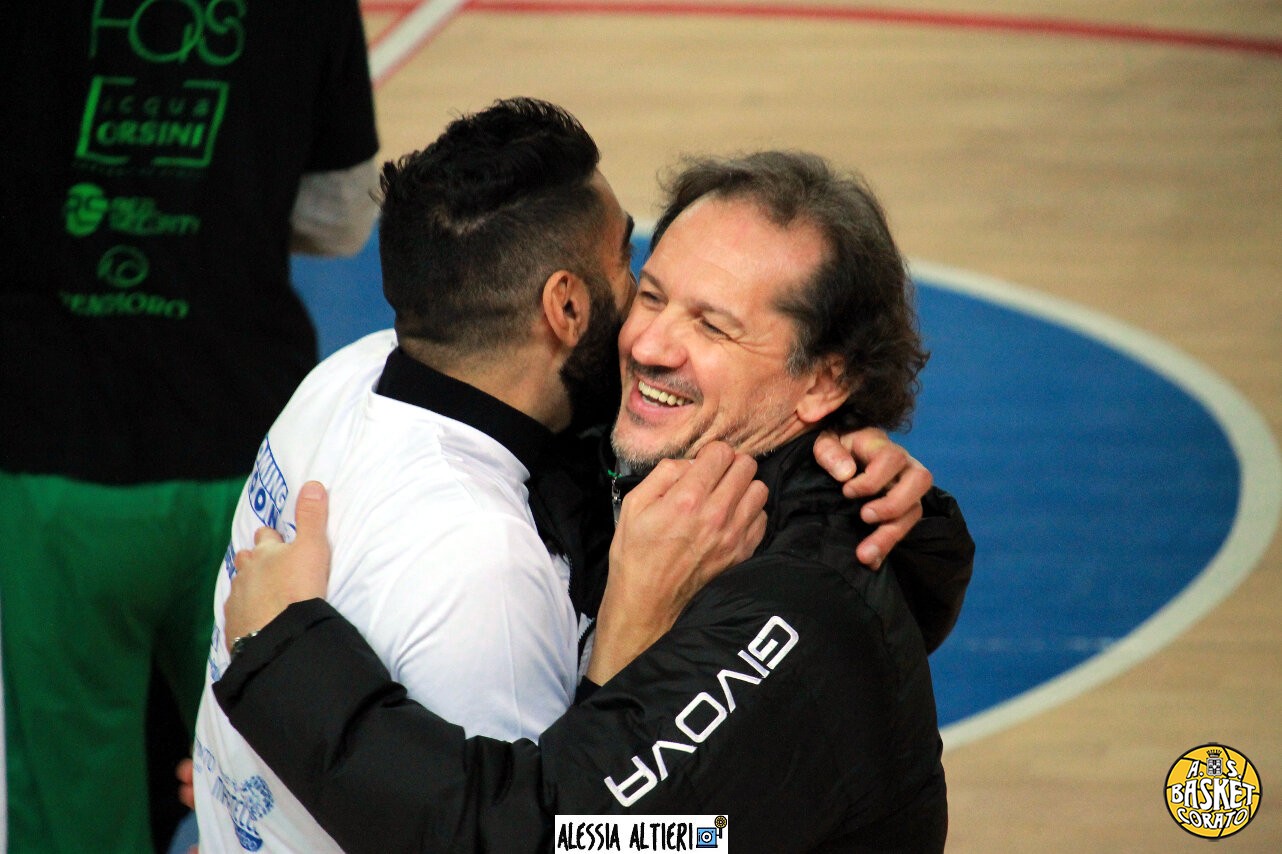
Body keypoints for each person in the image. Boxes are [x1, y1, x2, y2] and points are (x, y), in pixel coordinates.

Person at [187, 99, 939, 852]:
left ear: (823, 380)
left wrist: (281, 656)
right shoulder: (649, 453)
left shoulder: (791, 609)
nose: (647, 344)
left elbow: (579, 839)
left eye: (713, 326)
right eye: (649, 292)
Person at [0, 4, 380, 852]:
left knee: (72, 810)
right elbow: (342, 212)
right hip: (249, 467)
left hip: (57, 462)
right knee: (279, 795)